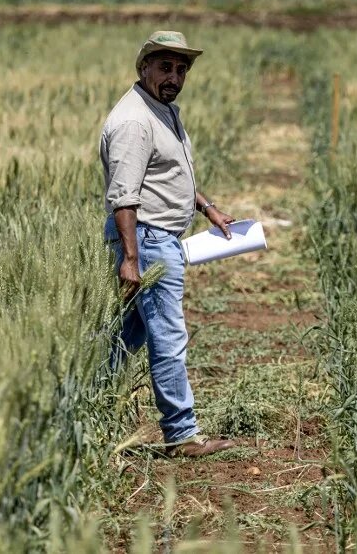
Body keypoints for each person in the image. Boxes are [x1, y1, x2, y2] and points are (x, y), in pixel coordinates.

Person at [99, 30, 237, 458]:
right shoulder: (135, 122)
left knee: (127, 337)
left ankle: (86, 404)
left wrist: (208, 208)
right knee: (168, 337)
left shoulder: (161, 110)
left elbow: (166, 177)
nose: (174, 76)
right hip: (147, 241)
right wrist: (131, 260)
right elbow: (124, 195)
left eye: (180, 69)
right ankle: (181, 434)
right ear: (143, 68)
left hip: (159, 240)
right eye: (165, 67)